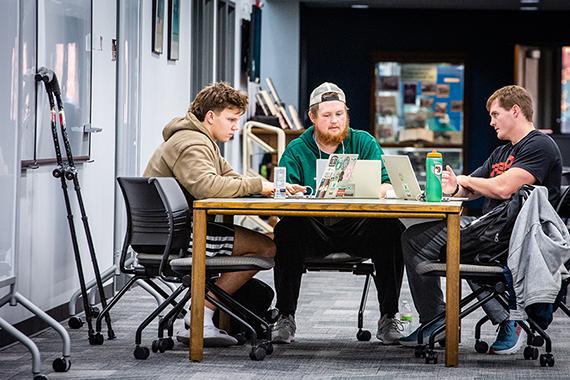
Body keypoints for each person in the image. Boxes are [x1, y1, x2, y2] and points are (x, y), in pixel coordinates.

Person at [399, 85, 562, 355]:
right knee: (416, 239)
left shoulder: (539, 145)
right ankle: (436, 319)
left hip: (519, 235)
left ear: (515, 111)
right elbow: (473, 188)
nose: (491, 121)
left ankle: (512, 317)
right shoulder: (501, 152)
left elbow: (503, 188)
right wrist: (455, 187)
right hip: (488, 229)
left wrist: (466, 181)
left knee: (467, 244)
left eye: (495, 114)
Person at [143, 82, 303, 347]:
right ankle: (201, 315)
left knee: (258, 244)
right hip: (177, 237)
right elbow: (207, 187)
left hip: (177, 230)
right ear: (210, 117)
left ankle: (206, 312)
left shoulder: (201, 140)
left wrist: (272, 187)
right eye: (230, 119)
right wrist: (257, 185)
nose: (235, 127)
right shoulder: (190, 143)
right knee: (264, 248)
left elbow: (229, 177)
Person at [272, 82, 406, 345]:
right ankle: (285, 315)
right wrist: (293, 192)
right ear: (312, 117)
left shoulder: (363, 142)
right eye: (327, 115)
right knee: (287, 228)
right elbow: (283, 193)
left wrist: (380, 189)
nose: (334, 121)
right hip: (315, 229)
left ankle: (389, 316)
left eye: (340, 114)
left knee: (390, 228)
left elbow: (387, 183)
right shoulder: (297, 150)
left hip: (357, 228)